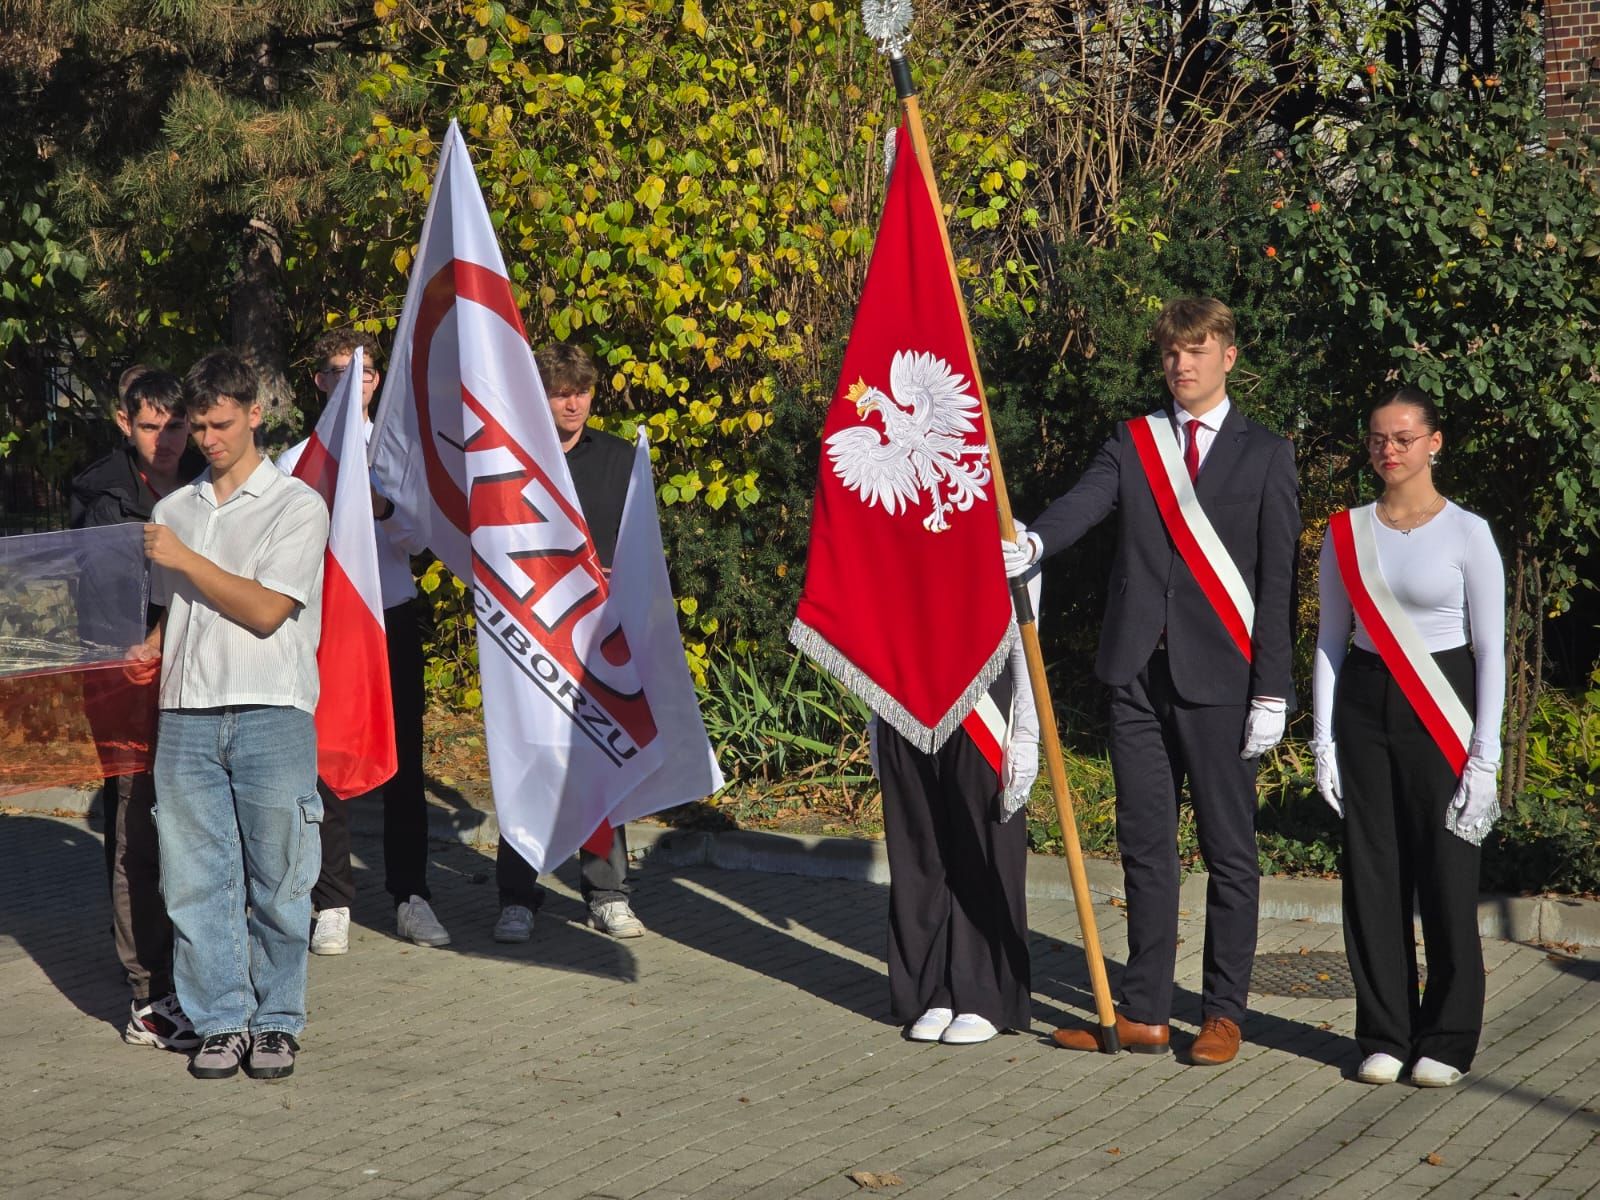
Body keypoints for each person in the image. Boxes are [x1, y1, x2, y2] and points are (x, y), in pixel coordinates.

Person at [1003, 297, 1300, 1065]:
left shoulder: (1265, 453)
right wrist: (1035, 539)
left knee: (1229, 852)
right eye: (1172, 352)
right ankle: (1144, 1010)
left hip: (1224, 680)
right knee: (1144, 846)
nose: (1182, 364)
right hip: (1136, 671)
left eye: (1197, 350)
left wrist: (1275, 687)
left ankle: (1224, 1014)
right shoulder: (1134, 443)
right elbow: (1085, 504)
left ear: (1228, 356)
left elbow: (1276, 582)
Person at [136, 350, 329, 1080]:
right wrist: (146, 646)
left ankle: (277, 1019)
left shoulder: (296, 505)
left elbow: (264, 610)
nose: (210, 439)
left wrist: (184, 558)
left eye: (222, 424)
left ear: (255, 414)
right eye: (201, 426)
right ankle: (220, 1018)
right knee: (193, 877)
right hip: (185, 710)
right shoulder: (173, 508)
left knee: (280, 876)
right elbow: (178, 611)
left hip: (270, 706)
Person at [1310, 387, 1505, 1088]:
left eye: (1401, 437)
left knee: (1447, 877)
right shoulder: (1346, 532)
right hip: (1364, 705)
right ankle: (1384, 1031)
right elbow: (1332, 640)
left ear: (1434, 443)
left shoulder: (1468, 532)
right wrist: (1324, 739)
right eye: (1375, 438)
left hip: (1442, 705)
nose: (1386, 450)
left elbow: (1491, 650)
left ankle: (1447, 1039)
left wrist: (1487, 756)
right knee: (1372, 877)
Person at [277, 329, 450, 954]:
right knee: (326, 760)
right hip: (325, 627)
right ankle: (332, 901)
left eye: (366, 372)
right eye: (337, 372)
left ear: (379, 381)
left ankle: (411, 895)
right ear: (320, 381)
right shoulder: (296, 460)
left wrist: (375, 502)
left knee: (404, 762)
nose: (354, 381)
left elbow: (419, 537)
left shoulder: (400, 452)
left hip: (391, 619)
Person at [70, 366, 203, 1051]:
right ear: (125, 423)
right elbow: (102, 604)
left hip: (206, 676)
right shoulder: (102, 495)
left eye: (177, 425)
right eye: (151, 426)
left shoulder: (213, 481)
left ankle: (202, 971)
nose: (166, 440)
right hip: (131, 684)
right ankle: (148, 995)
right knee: (138, 833)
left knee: (200, 830)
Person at [492, 342, 644, 943]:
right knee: (527, 758)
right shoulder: (512, 461)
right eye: (561, 392)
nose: (574, 402)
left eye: (582, 390)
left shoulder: (619, 460)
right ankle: (517, 896)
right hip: (528, 636)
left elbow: (641, 548)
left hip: (599, 639)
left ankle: (607, 893)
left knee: (602, 762)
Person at [872, 618, 1040, 1046]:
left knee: (979, 844)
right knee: (919, 846)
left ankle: (983, 994)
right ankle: (934, 990)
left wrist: (1027, 720)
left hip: (978, 679)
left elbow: (1023, 607)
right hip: (906, 677)